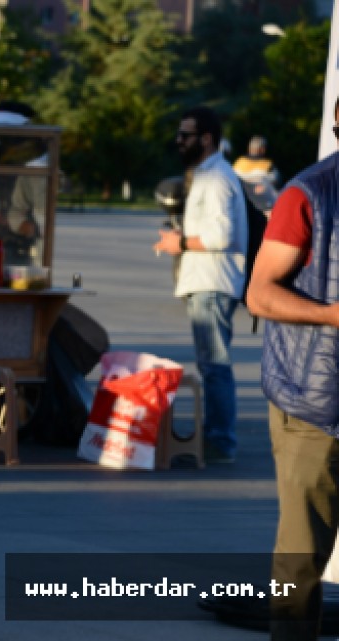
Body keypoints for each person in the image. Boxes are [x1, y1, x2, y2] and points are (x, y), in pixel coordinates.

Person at [247, 98, 339, 640]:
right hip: (316, 404)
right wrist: (332, 315)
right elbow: (260, 294)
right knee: (302, 563)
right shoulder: (309, 193)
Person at [152, 106, 247, 464]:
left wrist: (179, 243)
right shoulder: (207, 174)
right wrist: (181, 236)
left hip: (212, 283)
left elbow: (222, 236)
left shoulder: (216, 178)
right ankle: (216, 436)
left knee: (214, 365)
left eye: (185, 135)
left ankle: (220, 441)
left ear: (206, 138)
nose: (179, 141)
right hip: (206, 282)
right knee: (211, 364)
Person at [234, 135, 280, 213]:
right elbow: (277, 181)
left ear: (249, 148)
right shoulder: (267, 165)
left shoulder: (239, 163)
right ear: (262, 149)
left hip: (242, 205)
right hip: (264, 206)